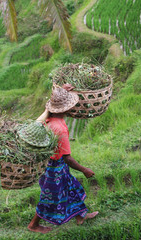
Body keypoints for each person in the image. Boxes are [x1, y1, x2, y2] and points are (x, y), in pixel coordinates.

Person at [28, 86, 98, 234]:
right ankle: (33, 225)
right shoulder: (59, 129)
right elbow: (68, 159)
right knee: (50, 198)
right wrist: (84, 170)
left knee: (71, 188)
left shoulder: (47, 119)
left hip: (50, 165)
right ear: (67, 108)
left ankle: (80, 216)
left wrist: (61, 91)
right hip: (54, 169)